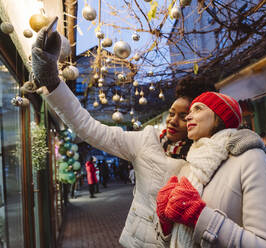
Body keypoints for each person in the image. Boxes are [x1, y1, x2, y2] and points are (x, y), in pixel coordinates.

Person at [31, 28, 216, 248]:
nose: (172, 121)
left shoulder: (211, 153)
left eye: (183, 117)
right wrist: (51, 81)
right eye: (172, 113)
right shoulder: (148, 140)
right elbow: (89, 128)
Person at [156, 92, 266, 247]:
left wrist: (200, 216)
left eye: (198, 109)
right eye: (189, 112)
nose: (189, 117)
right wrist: (165, 223)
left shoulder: (250, 159)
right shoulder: (189, 166)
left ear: (220, 116)